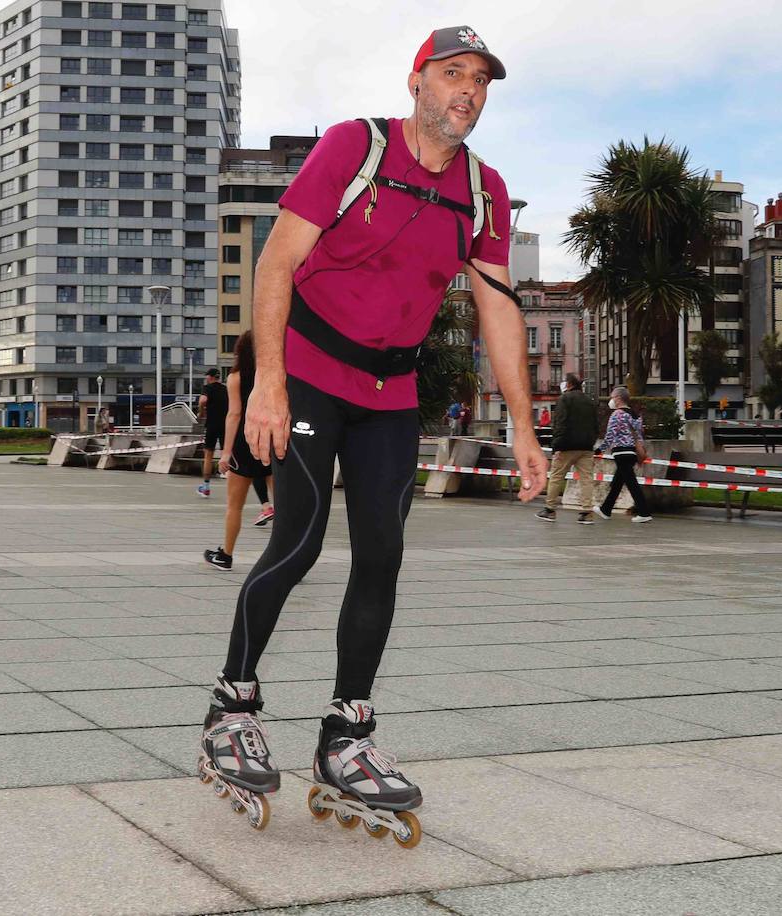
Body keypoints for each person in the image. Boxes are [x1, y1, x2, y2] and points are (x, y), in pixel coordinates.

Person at [196, 25, 544, 840]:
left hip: (393, 391)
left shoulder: (484, 191)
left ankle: (346, 735)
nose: (468, 90)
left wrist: (526, 426)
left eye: (482, 82)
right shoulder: (357, 148)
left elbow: (498, 306)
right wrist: (269, 384)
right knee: (299, 543)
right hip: (313, 369)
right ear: (417, 80)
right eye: (453, 74)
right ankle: (231, 704)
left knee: (382, 555)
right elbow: (275, 263)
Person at [204, 334, 276, 570]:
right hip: (272, 442)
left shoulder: (236, 377)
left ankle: (226, 555)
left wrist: (225, 453)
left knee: (235, 506)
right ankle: (286, 559)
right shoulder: (275, 373)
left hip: (245, 444)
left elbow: (234, 414)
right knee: (283, 506)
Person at [536, 374, 599, 524]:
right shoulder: (589, 401)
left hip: (566, 446)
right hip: (586, 447)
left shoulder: (564, 399)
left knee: (557, 476)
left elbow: (560, 423)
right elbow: (596, 424)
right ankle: (586, 512)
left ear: (569, 384)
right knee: (586, 479)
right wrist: (592, 441)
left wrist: (556, 445)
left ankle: (550, 509)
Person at [593, 387, 653, 523]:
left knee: (631, 483)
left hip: (621, 451)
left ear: (619, 398)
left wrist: (599, 450)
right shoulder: (636, 415)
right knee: (618, 482)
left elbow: (609, 436)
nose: (611, 400)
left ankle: (644, 512)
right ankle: (606, 509)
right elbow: (639, 436)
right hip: (632, 453)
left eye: (612, 397)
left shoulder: (617, 414)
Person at [198, 367, 227, 497]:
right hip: (226, 425)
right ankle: (231, 483)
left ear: (210, 377)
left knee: (208, 455)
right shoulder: (225, 389)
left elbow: (203, 400)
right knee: (226, 454)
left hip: (211, 425)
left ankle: (206, 487)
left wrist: (201, 411)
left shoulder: (207, 388)